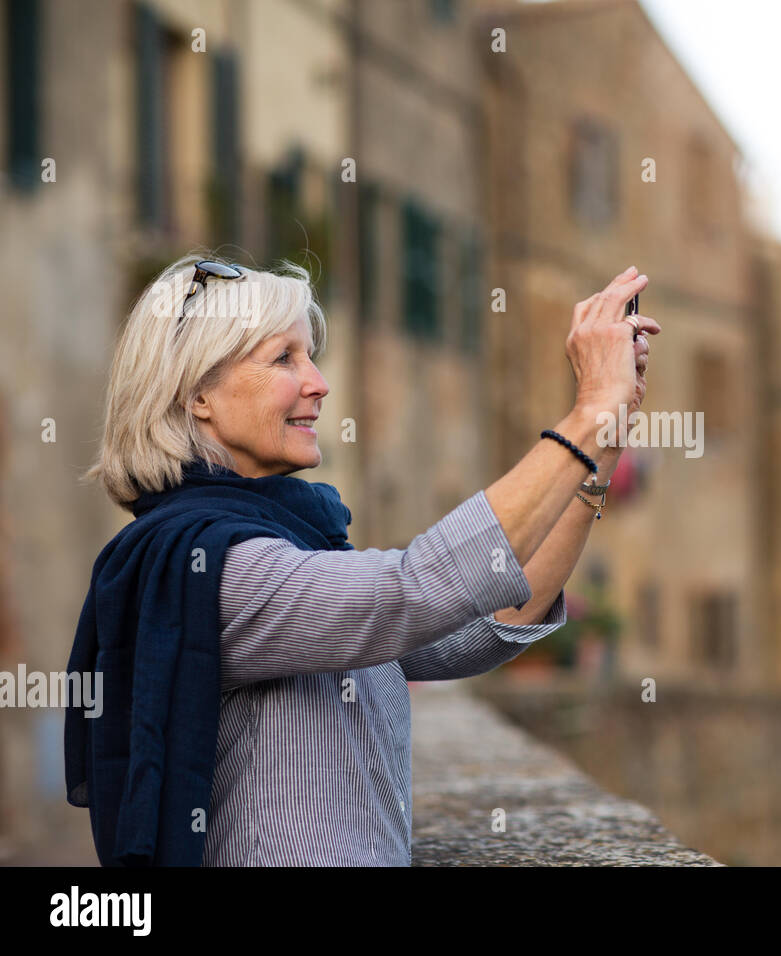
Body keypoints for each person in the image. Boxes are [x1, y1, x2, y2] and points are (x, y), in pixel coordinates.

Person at [64, 254, 659, 866]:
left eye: (310, 355)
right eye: (283, 358)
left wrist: (604, 438)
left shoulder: (297, 543)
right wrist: (585, 413)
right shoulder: (211, 567)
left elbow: (491, 613)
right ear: (197, 396)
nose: (318, 382)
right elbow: (416, 590)